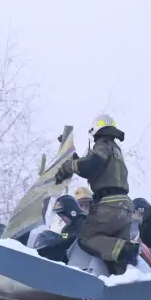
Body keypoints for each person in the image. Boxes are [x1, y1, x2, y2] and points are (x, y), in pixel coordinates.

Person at [53, 116, 138, 272]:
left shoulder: (102, 145)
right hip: (125, 207)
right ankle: (122, 285)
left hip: (109, 206)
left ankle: (126, 249)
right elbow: (95, 167)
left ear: (96, 130)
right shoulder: (115, 150)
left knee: (87, 238)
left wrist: (67, 166)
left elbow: (90, 166)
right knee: (114, 259)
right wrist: (73, 158)